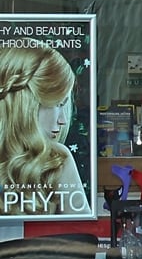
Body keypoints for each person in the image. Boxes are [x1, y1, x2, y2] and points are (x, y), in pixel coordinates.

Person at [0, 44, 88, 217]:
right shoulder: (58, 158)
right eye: (56, 104)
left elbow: (81, 232)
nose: (62, 120)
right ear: (23, 103)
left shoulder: (57, 159)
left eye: (64, 105)